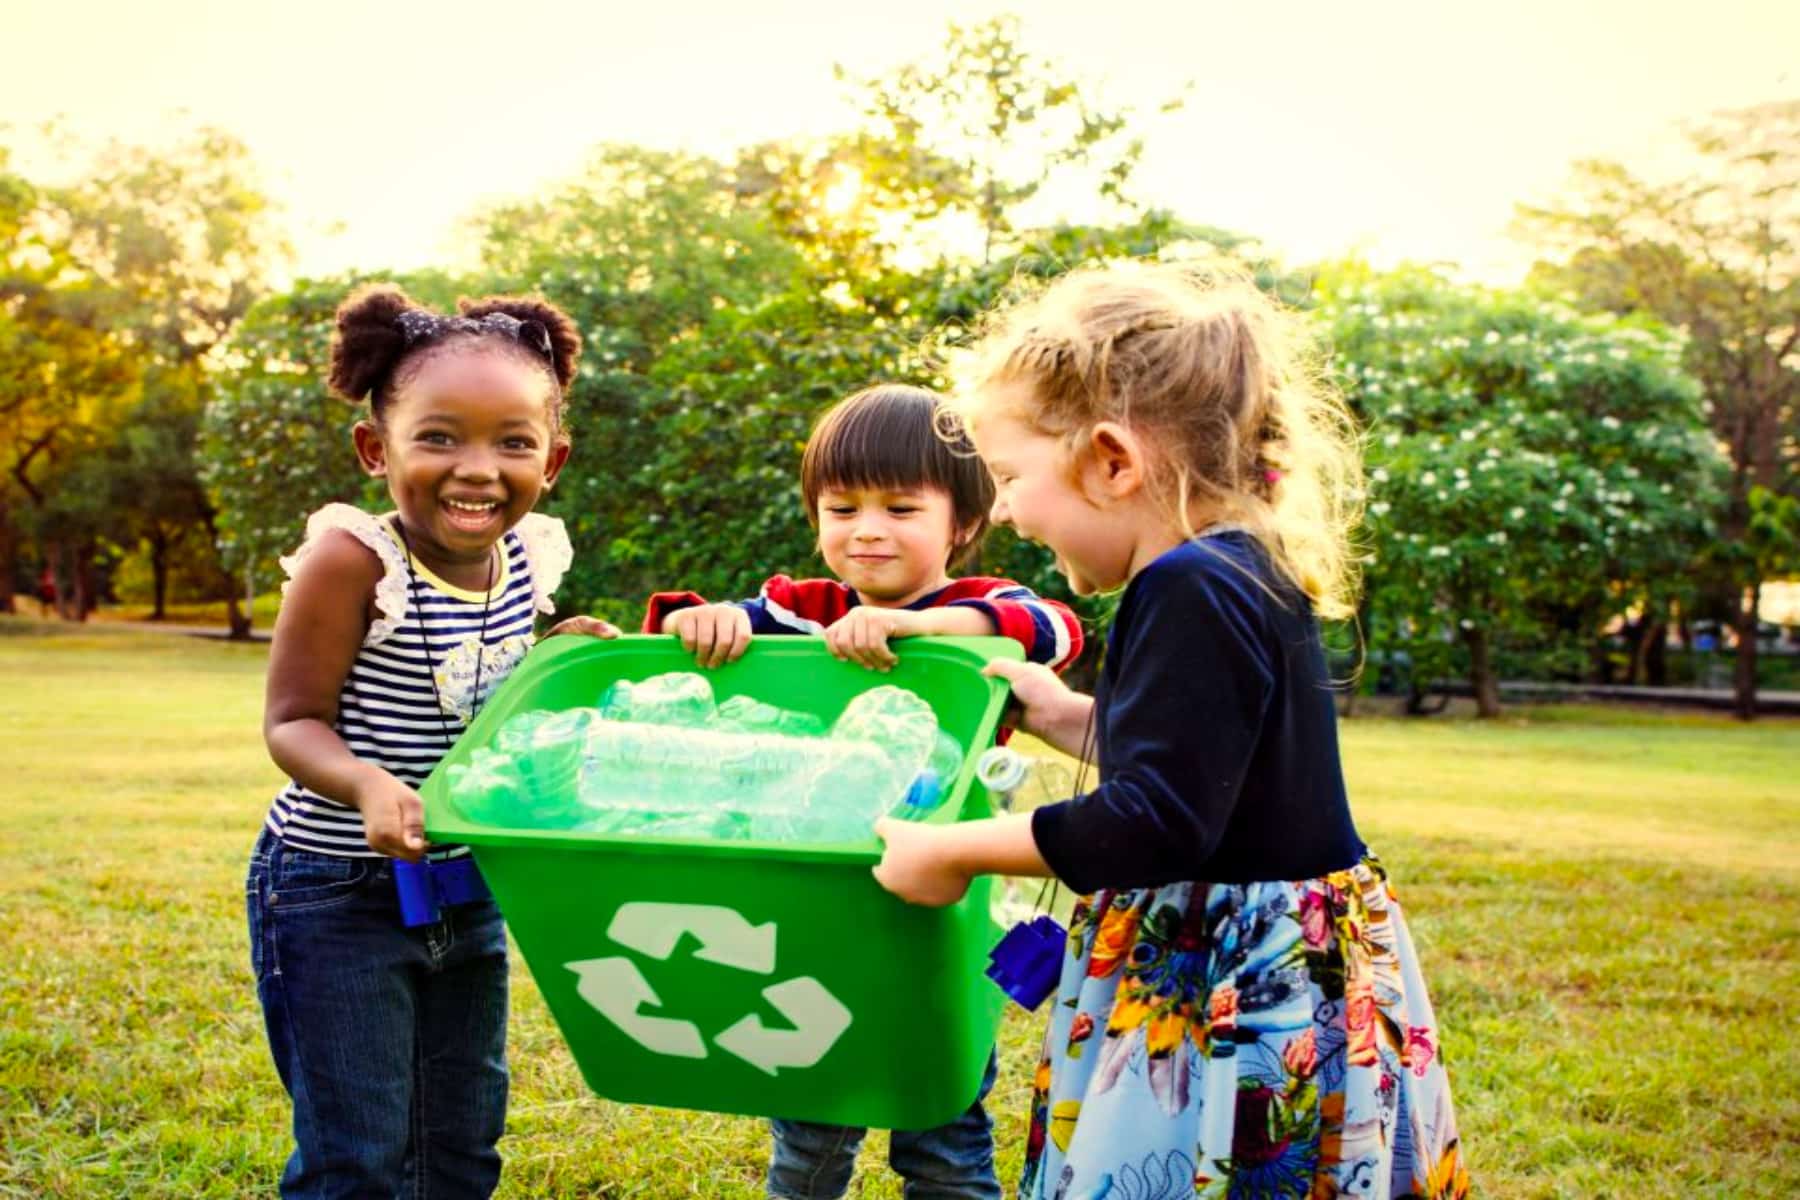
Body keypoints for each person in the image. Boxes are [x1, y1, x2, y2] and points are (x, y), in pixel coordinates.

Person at [871, 265, 1469, 1198]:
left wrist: (953, 851)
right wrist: (1061, 712)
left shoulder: (1184, 584)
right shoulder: (1242, 564)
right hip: (1290, 951)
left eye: (1010, 478)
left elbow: (1156, 819)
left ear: (1112, 461)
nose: (1011, 511)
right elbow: (1208, 766)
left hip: (1233, 978)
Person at [643, 383, 1084, 1200]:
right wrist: (698, 623)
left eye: (900, 508)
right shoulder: (804, 612)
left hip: (936, 911)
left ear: (964, 523)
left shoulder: (977, 609)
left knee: (943, 1128)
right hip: (812, 902)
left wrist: (910, 626)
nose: (867, 530)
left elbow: (1052, 629)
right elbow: (684, 628)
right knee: (811, 1116)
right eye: (841, 508)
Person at [248, 284, 617, 1198]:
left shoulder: (532, 553)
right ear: (378, 449)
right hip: (336, 891)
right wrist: (369, 785)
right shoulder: (354, 560)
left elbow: (487, 685)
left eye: (514, 441)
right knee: (360, 1146)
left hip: (467, 882)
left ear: (554, 459)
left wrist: (559, 656)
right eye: (440, 436)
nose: (477, 469)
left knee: (462, 1130)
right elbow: (291, 722)